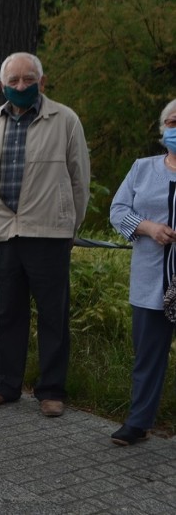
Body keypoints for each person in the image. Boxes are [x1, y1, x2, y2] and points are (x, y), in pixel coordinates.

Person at [0, 52, 91, 417]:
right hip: (4, 235)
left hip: (48, 234)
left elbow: (79, 179)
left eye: (28, 80)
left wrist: (69, 225)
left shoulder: (65, 119)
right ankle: (6, 385)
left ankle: (51, 391)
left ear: (42, 82)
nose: (21, 86)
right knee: (8, 313)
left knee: (52, 315)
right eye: (14, 81)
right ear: (2, 86)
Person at [108, 98, 176, 445]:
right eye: (173, 122)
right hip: (152, 278)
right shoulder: (142, 168)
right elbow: (117, 210)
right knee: (148, 356)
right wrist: (148, 227)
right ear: (162, 129)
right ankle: (138, 423)